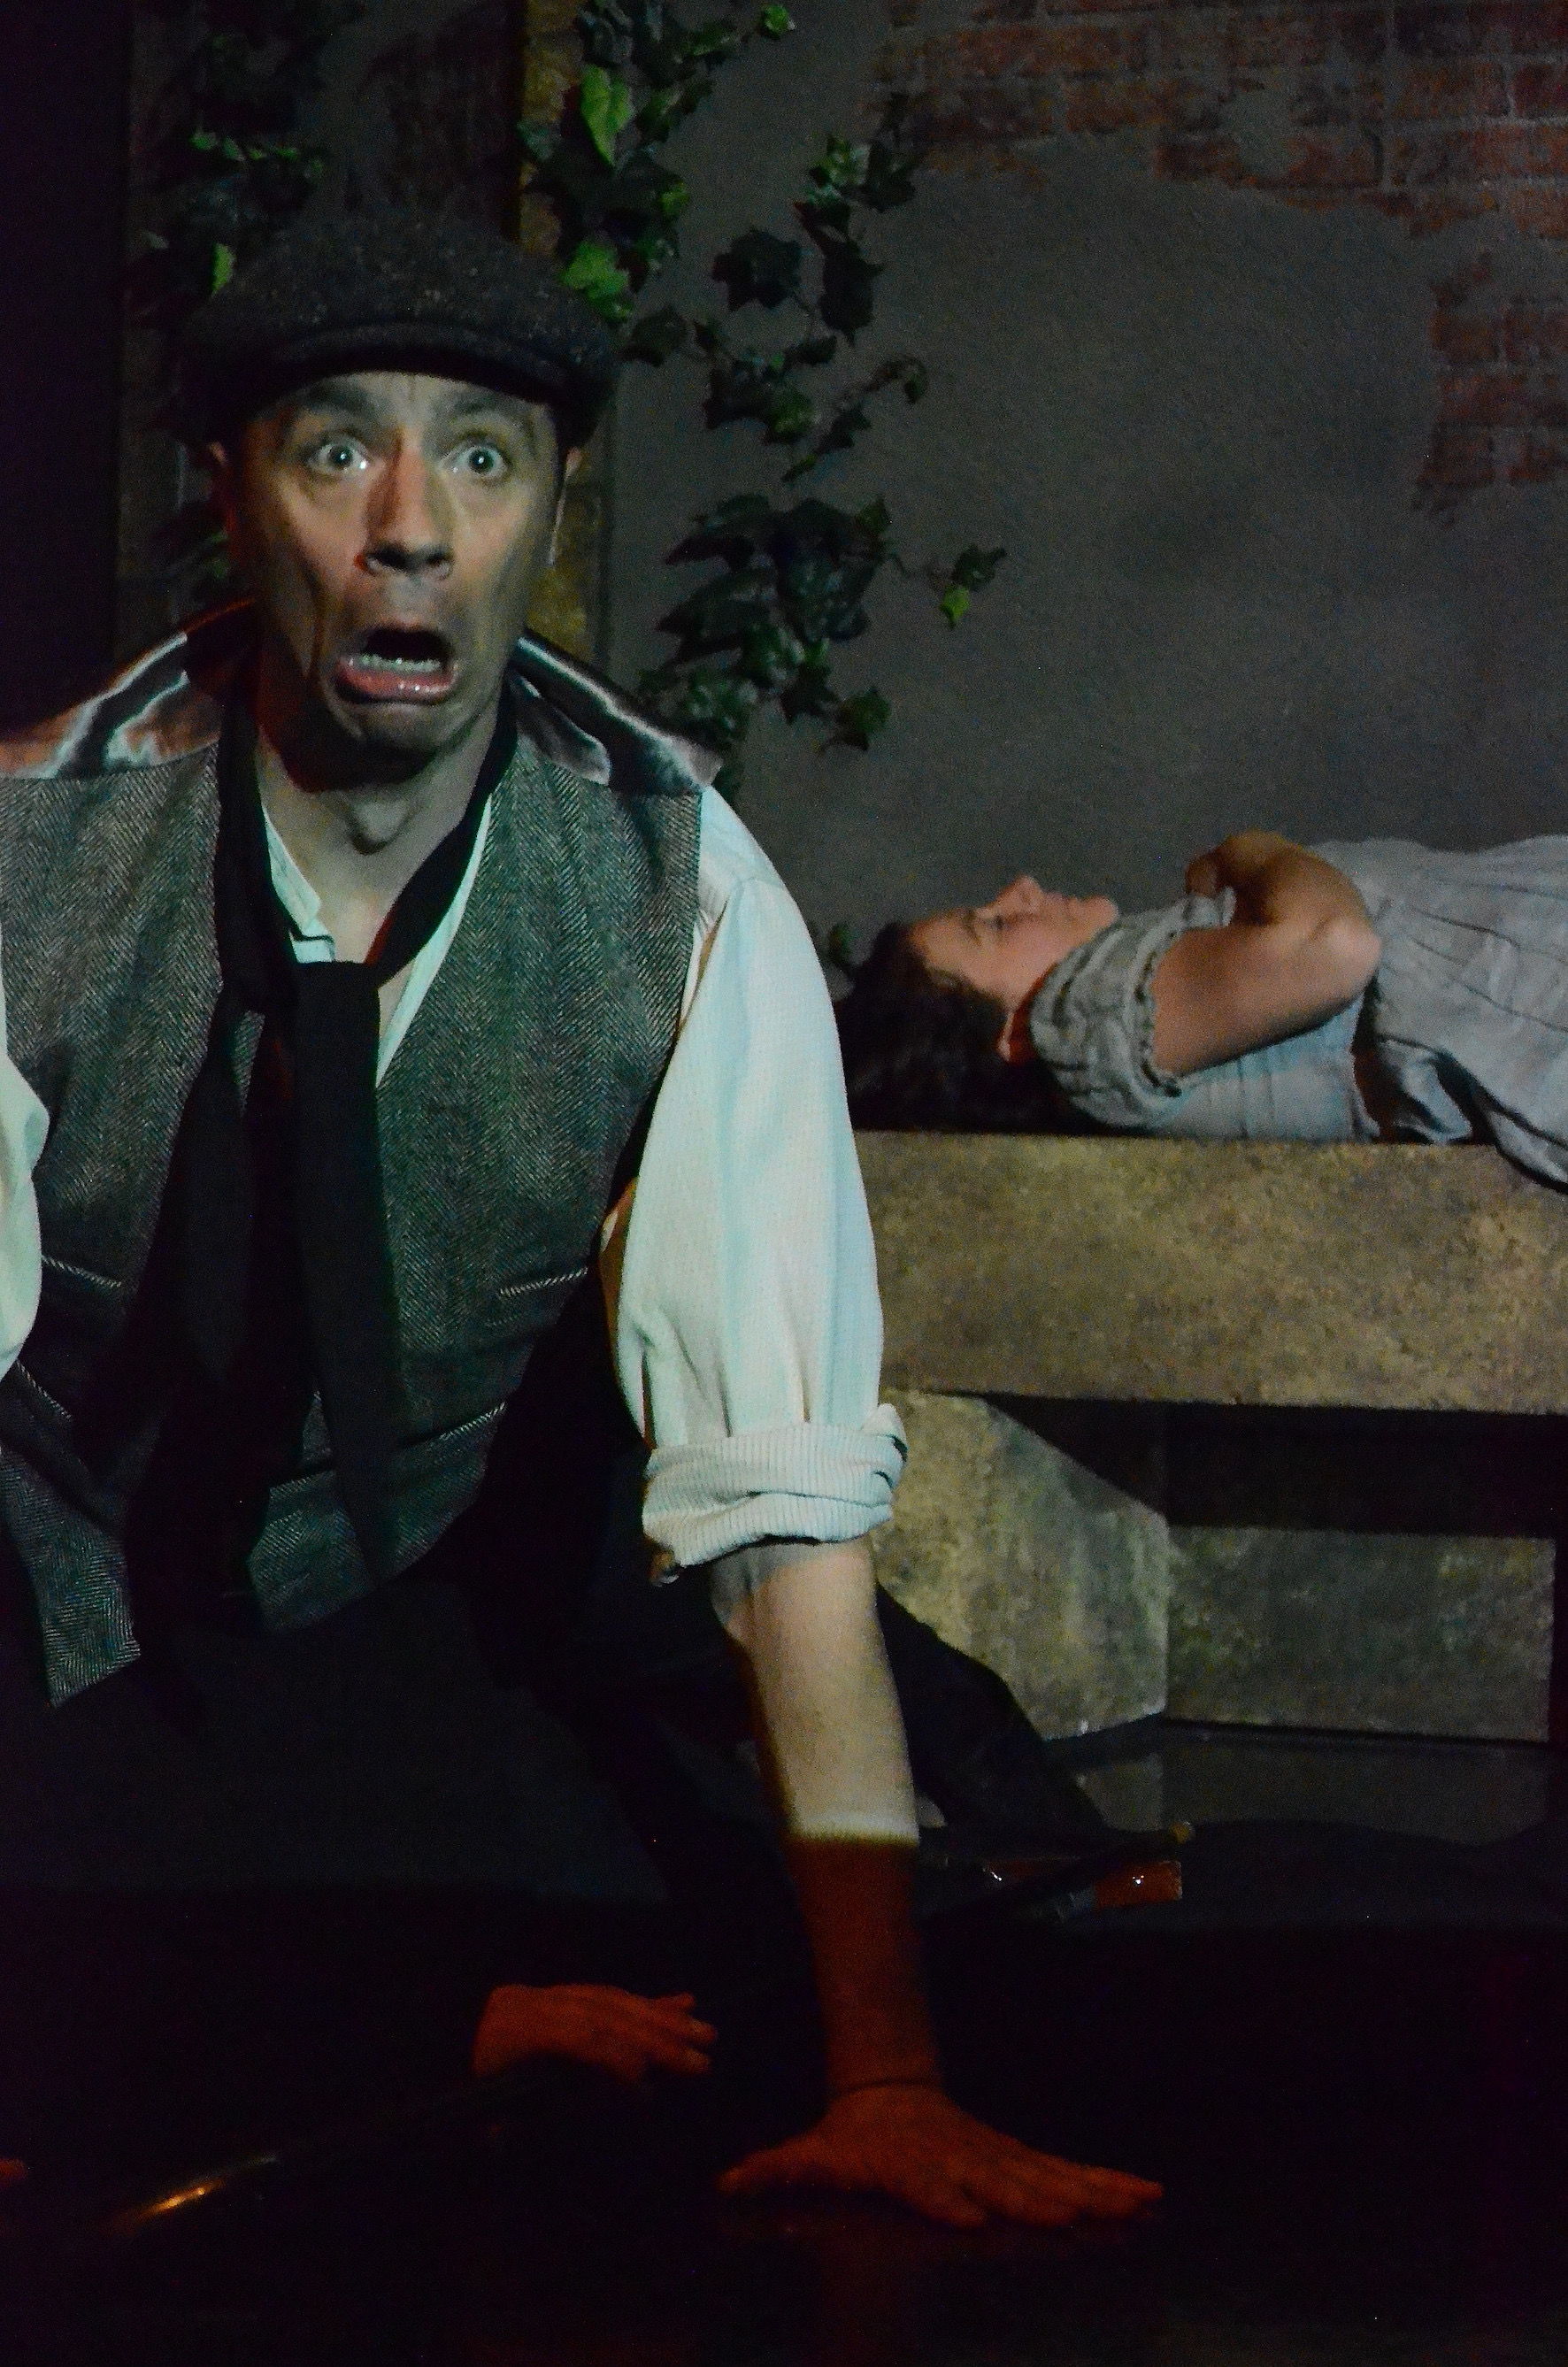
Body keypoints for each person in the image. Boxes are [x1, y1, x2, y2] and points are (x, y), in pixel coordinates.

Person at [0, 208, 1157, 2227]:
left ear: (546, 512)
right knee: (112, 1956)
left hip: (452, 1547)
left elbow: (777, 1493)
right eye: (338, 451)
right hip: (89, 1558)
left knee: (929, 1892)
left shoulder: (678, 877)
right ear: (231, 497)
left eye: (483, 458)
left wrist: (889, 2084)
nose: (412, 528)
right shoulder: (34, 847)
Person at [836, 829, 1568, 1187]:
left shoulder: (1105, 1018)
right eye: (993, 927)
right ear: (1010, 1040)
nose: (1019, 890)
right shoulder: (1080, 1015)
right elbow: (1330, 944)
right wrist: (1247, 850)